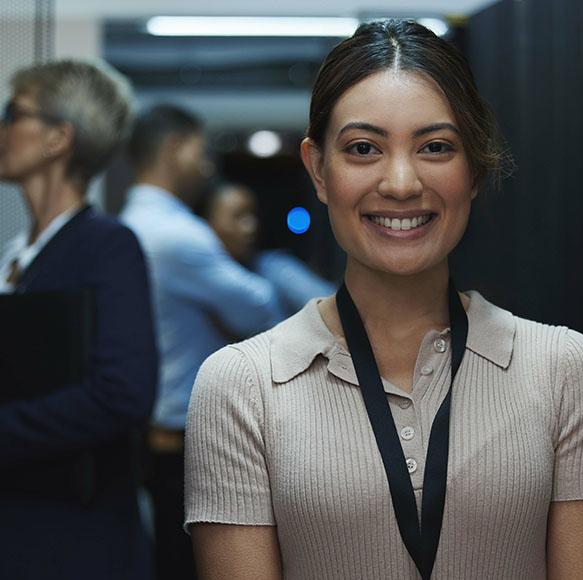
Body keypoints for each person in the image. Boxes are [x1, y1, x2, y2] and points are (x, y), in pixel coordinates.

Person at [183, 19, 583, 580]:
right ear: (319, 169)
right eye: (364, 148)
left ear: (474, 168)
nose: (400, 182)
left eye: (435, 147)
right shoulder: (241, 386)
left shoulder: (566, 371)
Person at [0, 59, 157, 579]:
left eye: (12, 114)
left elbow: (123, 392)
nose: (2, 128)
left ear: (57, 138)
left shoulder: (107, 245)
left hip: (74, 535)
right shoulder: (17, 255)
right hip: (23, 523)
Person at [120, 105, 284, 580]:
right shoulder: (180, 236)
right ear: (173, 149)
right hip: (189, 436)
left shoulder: (130, 224)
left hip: (154, 431)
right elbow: (260, 308)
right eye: (199, 148)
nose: (207, 162)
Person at [196, 180, 336, 316]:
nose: (251, 227)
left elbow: (334, 310)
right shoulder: (198, 279)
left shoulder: (277, 269)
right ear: (208, 223)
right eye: (238, 217)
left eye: (252, 215)